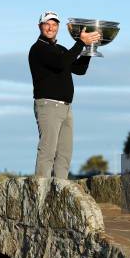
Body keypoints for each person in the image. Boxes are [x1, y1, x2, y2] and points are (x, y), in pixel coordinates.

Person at [28, 11, 101, 179]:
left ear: (58, 27)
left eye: (54, 24)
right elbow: (61, 63)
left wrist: (89, 48)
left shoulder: (59, 49)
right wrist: (80, 43)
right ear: (40, 26)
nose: (50, 27)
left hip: (66, 108)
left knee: (64, 154)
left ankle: (60, 192)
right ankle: (40, 195)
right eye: (47, 24)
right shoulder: (39, 49)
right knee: (47, 151)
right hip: (48, 105)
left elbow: (79, 69)